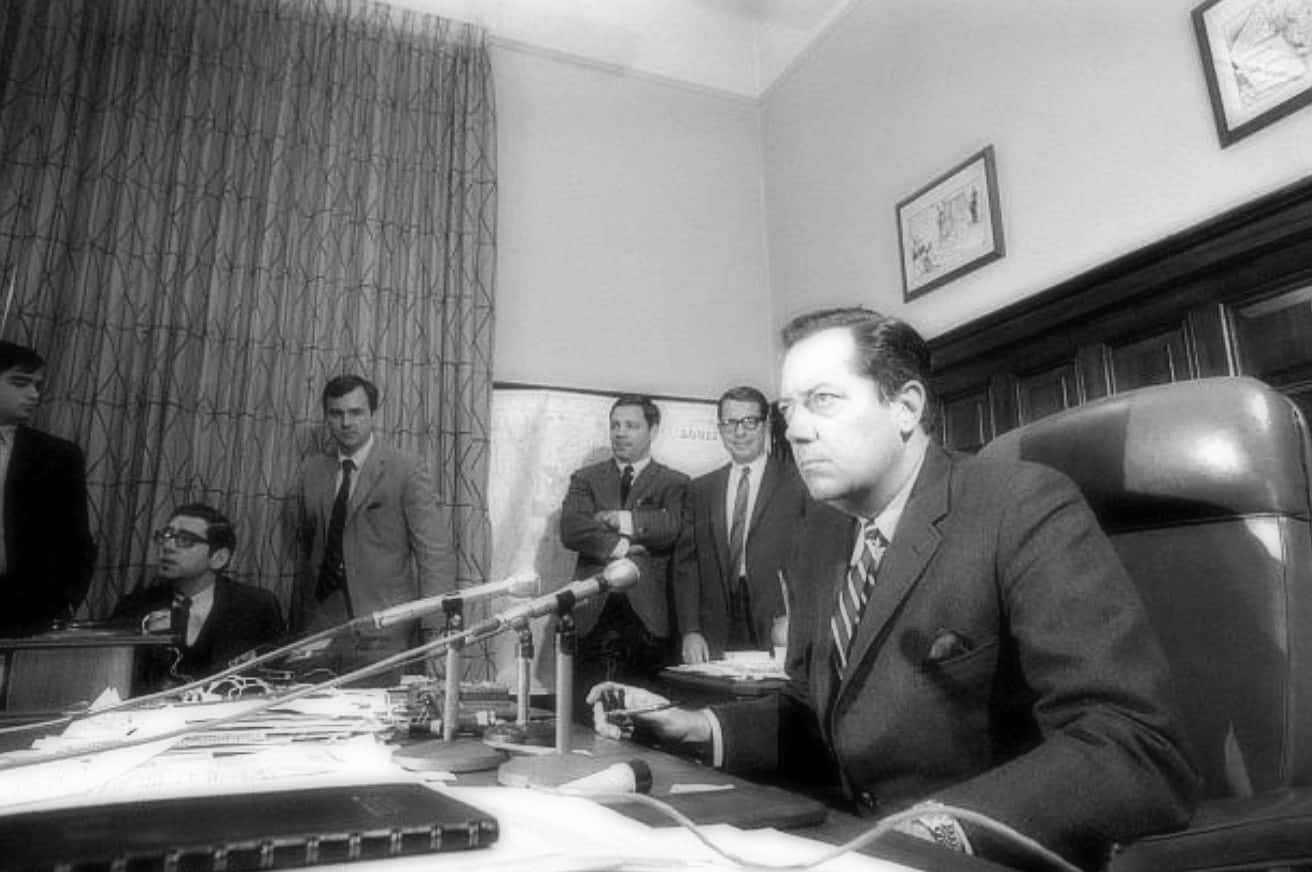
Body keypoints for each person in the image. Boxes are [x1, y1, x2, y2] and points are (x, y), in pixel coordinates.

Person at [589, 308, 1197, 869]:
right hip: (846, 843)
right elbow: (818, 717)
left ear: (906, 407)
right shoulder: (824, 532)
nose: (795, 431)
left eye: (822, 400)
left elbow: (1132, 747)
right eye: (788, 409)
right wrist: (698, 727)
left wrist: (942, 828)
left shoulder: (1021, 506)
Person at [289, 375, 456, 678]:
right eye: (336, 413)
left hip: (385, 625)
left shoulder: (405, 469)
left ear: (373, 414)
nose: (346, 422)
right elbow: (306, 552)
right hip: (320, 625)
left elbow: (435, 555)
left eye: (356, 412)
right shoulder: (311, 471)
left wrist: (436, 631)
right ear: (326, 417)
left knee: (379, 703)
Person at [560, 395, 688, 712]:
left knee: (643, 716)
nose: (620, 433)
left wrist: (621, 520)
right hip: (592, 614)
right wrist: (626, 547)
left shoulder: (675, 483)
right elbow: (572, 529)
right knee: (585, 712)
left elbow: (671, 527)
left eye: (631, 426)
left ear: (653, 430)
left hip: (648, 620)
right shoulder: (586, 479)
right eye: (615, 425)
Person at [673, 386, 809, 662]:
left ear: (766, 425)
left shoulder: (800, 482)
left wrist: (801, 617)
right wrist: (690, 630)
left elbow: (816, 562)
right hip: (716, 627)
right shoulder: (701, 490)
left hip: (781, 624)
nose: (740, 432)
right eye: (730, 423)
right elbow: (687, 567)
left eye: (750, 422)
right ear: (720, 429)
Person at [113, 503, 284, 680]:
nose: (168, 546)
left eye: (185, 540)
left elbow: (275, 674)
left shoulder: (256, 606)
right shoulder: (134, 606)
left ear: (218, 558)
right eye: (166, 536)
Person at [0, 341, 96, 636]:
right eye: (20, 383)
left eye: (37, 386)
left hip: (26, 611)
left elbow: (78, 541)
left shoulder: (58, 456)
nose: (34, 394)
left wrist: (65, 604)